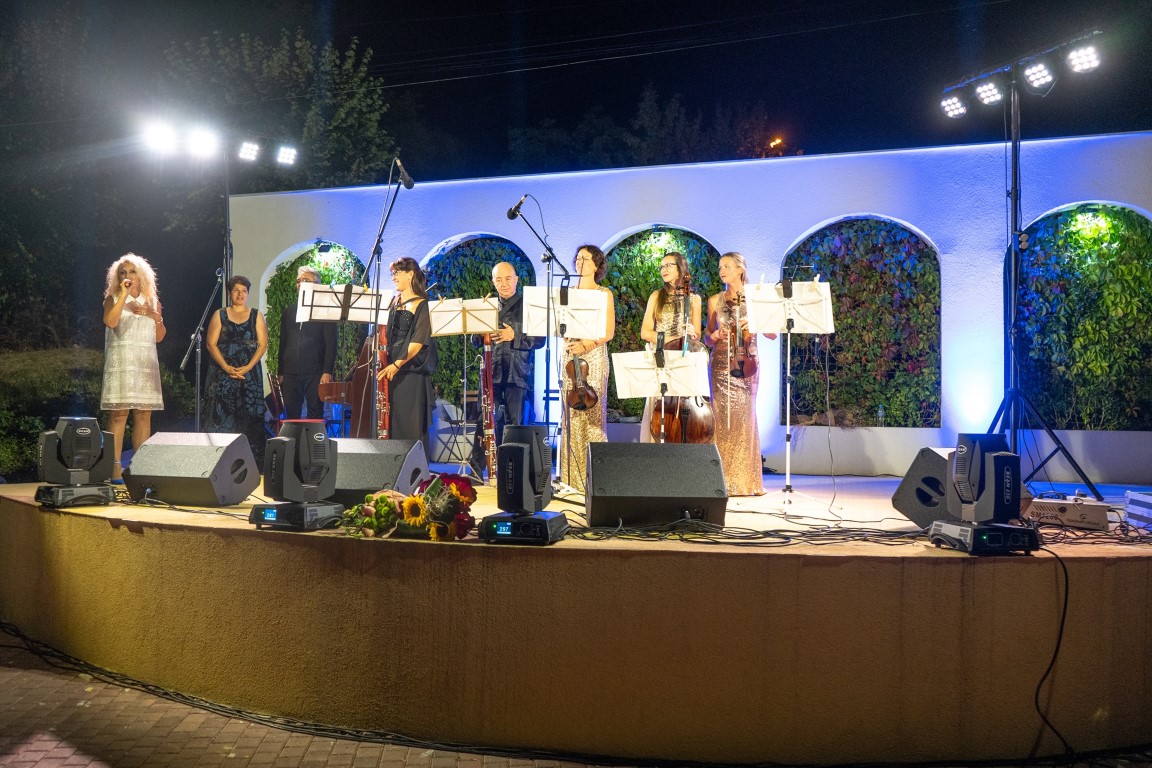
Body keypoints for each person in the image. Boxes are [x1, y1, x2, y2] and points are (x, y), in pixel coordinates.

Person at [704, 252, 775, 496]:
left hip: (747, 362)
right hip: (720, 364)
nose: (722, 271)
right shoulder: (715, 300)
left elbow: (773, 334)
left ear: (740, 269)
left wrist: (755, 323)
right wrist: (715, 335)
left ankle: (746, 481)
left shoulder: (756, 298)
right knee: (721, 418)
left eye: (726, 266)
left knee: (745, 417)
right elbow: (707, 337)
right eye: (720, 267)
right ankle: (720, 480)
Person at [470, 261, 545, 479]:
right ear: (493, 282)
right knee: (484, 420)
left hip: (517, 372)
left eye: (508, 279)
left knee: (515, 423)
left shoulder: (529, 306)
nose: (504, 284)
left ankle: (513, 473)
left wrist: (515, 336)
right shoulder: (487, 306)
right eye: (499, 279)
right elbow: (475, 341)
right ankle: (476, 471)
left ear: (516, 280)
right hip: (491, 371)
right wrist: (480, 333)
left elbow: (540, 340)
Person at [101, 253, 166, 482]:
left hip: (145, 363)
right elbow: (110, 321)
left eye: (131, 272)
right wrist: (123, 296)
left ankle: (139, 468)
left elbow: (159, 337)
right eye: (123, 272)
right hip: (122, 361)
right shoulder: (113, 298)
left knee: (143, 415)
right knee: (119, 414)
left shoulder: (153, 301)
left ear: (141, 275)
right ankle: (114, 467)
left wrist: (155, 316)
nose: (127, 276)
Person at [559, 245, 615, 491]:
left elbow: (608, 332)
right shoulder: (567, 293)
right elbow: (559, 324)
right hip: (571, 355)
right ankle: (571, 479)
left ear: (597, 264)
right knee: (570, 415)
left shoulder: (604, 293)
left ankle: (595, 479)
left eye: (586, 258)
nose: (580, 262)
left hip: (593, 355)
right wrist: (565, 337)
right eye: (578, 258)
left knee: (592, 414)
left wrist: (586, 344)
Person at [204, 275, 269, 467]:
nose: (240, 294)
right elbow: (211, 344)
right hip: (222, 374)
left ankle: (250, 466)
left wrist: (248, 367)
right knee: (222, 416)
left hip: (249, 374)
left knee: (249, 417)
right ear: (229, 293)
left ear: (248, 293)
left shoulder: (256, 315)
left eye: (244, 291)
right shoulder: (220, 314)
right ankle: (218, 464)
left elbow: (262, 344)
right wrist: (226, 367)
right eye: (236, 290)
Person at [639, 251, 703, 443]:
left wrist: (692, 333)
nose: (663, 269)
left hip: (683, 360)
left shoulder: (694, 299)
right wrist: (673, 338)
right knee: (660, 407)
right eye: (662, 266)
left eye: (669, 265)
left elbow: (698, 335)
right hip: (661, 357)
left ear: (681, 268)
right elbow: (645, 332)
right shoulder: (656, 296)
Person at [380, 257, 436, 446]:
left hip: (410, 375)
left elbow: (418, 342)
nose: (393, 278)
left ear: (410, 274)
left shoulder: (423, 305)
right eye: (392, 274)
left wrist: (397, 365)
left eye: (397, 273)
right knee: (389, 427)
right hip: (390, 372)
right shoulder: (392, 303)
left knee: (408, 429)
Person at [277, 266, 337, 421]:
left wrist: (327, 371)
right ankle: (294, 438)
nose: (300, 284)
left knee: (315, 413)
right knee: (291, 414)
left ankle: (314, 438)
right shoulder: (289, 311)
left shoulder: (326, 311)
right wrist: (281, 371)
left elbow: (331, 343)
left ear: (317, 284)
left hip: (315, 371)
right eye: (298, 281)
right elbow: (283, 342)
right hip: (291, 371)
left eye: (305, 280)